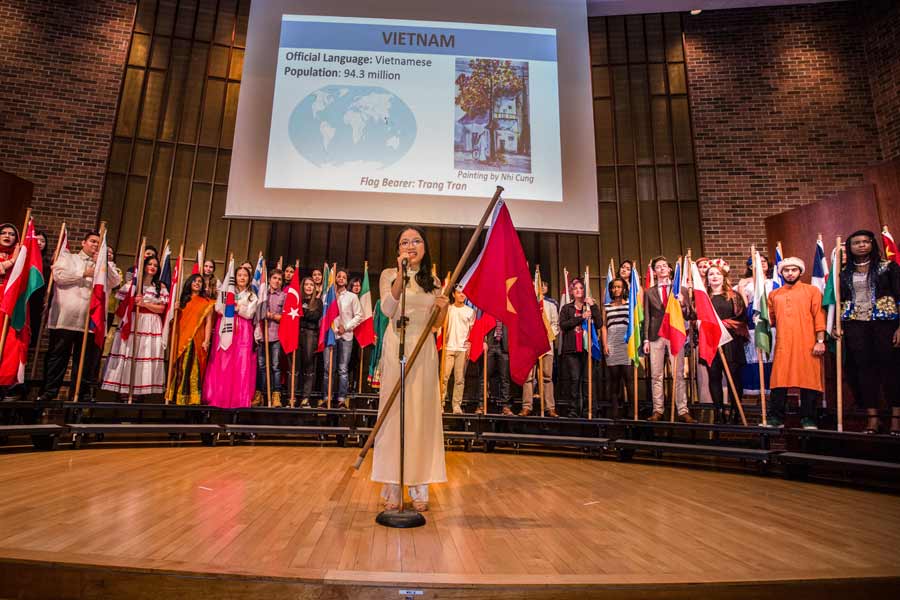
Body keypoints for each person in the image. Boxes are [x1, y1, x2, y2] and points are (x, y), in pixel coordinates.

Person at [372, 226, 448, 513]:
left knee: (420, 414)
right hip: (397, 347)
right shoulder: (389, 275)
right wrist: (401, 275)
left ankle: (419, 484)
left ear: (425, 247)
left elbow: (437, 324)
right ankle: (392, 482)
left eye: (416, 240)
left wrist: (442, 307)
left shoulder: (434, 280)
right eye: (405, 242)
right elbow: (389, 310)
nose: (411, 245)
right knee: (394, 414)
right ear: (398, 250)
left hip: (424, 350)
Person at [38, 230, 121, 401]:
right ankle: (49, 392)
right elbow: (59, 276)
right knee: (58, 357)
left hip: (90, 321)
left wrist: (101, 263)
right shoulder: (69, 258)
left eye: (99, 243)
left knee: (84, 361)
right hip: (65, 318)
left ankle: (79, 395)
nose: (95, 245)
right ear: (83, 243)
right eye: (92, 241)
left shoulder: (106, 264)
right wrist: (84, 273)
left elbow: (115, 282)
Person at [836, 230, 900, 434]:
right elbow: (838, 301)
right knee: (864, 371)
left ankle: (895, 420)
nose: (862, 245)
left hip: (885, 324)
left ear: (872, 244)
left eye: (866, 241)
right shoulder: (843, 272)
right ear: (850, 246)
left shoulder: (888, 267)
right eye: (857, 242)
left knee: (890, 370)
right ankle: (872, 419)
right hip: (856, 325)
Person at [767, 257, 825, 429]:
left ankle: (808, 418)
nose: (790, 273)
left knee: (808, 380)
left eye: (794, 270)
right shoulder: (774, 294)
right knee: (779, 381)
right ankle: (776, 417)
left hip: (807, 344)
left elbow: (819, 317)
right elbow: (769, 319)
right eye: (786, 270)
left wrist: (820, 341)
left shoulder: (812, 291)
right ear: (781, 272)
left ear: (800, 271)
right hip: (783, 344)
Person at [101, 256, 169, 399]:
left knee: (145, 354)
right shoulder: (132, 285)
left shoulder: (160, 287)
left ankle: (140, 392)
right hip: (133, 321)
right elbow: (122, 305)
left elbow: (162, 309)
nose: (152, 267)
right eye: (149, 264)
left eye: (155, 265)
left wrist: (145, 304)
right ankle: (125, 391)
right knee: (130, 352)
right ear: (143, 266)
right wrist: (133, 301)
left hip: (151, 324)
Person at [642, 256, 696, 422]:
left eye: (664, 266)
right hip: (655, 336)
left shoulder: (680, 289)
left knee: (678, 373)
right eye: (658, 267)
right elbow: (647, 316)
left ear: (670, 269)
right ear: (654, 271)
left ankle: (682, 409)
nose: (662, 268)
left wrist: (683, 304)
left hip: (674, 333)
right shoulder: (649, 292)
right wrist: (645, 340)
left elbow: (691, 315)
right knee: (656, 374)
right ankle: (658, 410)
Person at [203, 265, 258, 408]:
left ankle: (238, 399)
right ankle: (220, 396)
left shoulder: (252, 295)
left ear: (249, 278)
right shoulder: (226, 291)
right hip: (226, 327)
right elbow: (218, 308)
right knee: (224, 361)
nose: (242, 278)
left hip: (243, 331)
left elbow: (249, 313)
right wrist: (234, 306)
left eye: (245, 275)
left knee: (240, 363)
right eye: (239, 275)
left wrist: (236, 307)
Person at [703, 263, 748, 424]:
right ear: (707, 279)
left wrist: (723, 325)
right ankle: (719, 411)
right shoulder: (703, 298)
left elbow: (742, 318)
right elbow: (695, 317)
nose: (714, 276)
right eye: (711, 274)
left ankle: (736, 410)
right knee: (714, 376)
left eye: (717, 274)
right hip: (710, 342)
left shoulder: (733, 296)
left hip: (731, 343)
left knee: (734, 378)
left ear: (723, 277)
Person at [559, 278, 602, 418]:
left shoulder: (590, 306)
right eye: (575, 288)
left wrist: (593, 307)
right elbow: (563, 325)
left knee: (587, 380)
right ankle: (573, 409)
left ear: (585, 291)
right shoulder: (567, 308)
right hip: (572, 349)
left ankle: (589, 409)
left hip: (587, 348)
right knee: (575, 379)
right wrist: (581, 318)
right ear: (572, 292)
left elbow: (600, 324)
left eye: (581, 288)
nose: (578, 290)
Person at [167, 274, 213, 405]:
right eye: (195, 281)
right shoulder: (182, 300)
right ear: (189, 283)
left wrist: (207, 340)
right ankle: (176, 396)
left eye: (200, 282)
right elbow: (175, 321)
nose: (197, 283)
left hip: (197, 340)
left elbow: (208, 322)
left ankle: (193, 399)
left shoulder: (207, 302)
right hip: (181, 339)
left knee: (194, 369)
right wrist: (175, 309)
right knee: (180, 367)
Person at [737, 254, 775, 398]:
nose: (762, 264)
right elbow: (742, 306)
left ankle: (771, 392)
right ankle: (755, 393)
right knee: (754, 357)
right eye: (757, 262)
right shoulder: (745, 284)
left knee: (769, 355)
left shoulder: (774, 281)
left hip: (770, 322)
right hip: (752, 322)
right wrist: (741, 286)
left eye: (764, 261)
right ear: (750, 266)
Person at [521, 280, 559, 417]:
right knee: (528, 377)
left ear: (546, 288)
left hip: (546, 345)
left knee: (547, 377)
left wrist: (547, 337)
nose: (539, 287)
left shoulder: (551, 305)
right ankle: (527, 406)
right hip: (530, 346)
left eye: (542, 285)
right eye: (535, 284)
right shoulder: (525, 304)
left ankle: (550, 408)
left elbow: (555, 325)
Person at [327, 269, 363, 408]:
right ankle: (327, 397)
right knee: (329, 368)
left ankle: (342, 399)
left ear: (347, 281)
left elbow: (359, 315)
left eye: (343, 277)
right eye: (339, 276)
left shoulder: (352, 297)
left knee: (343, 369)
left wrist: (346, 327)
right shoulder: (329, 295)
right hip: (331, 335)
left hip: (346, 336)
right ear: (335, 278)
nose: (341, 278)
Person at [441, 286, 475, 414]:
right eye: (459, 292)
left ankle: (456, 405)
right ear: (454, 294)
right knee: (444, 377)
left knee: (459, 379)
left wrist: (469, 344)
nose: (462, 295)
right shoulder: (449, 309)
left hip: (461, 349)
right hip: (448, 347)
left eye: (464, 292)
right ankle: (441, 403)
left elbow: (472, 331)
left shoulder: (470, 312)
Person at [255, 268, 285, 407]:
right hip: (262, 334)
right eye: (274, 278)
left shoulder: (283, 296)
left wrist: (271, 315)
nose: (277, 281)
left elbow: (285, 318)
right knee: (261, 366)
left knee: (275, 366)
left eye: (279, 279)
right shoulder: (262, 294)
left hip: (276, 336)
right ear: (270, 279)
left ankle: (276, 396)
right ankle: (259, 394)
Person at [602, 277, 631, 419]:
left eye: (619, 287)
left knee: (628, 378)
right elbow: (604, 326)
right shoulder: (606, 307)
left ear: (624, 289)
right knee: (614, 379)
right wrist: (605, 344)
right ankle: (615, 411)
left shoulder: (630, 305)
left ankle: (632, 410)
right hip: (612, 344)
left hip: (627, 344)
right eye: (614, 287)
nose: (616, 289)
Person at [297, 277, 322, 407]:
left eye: (311, 285)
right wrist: (304, 312)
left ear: (314, 287)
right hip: (297, 333)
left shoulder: (318, 302)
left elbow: (315, 316)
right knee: (296, 365)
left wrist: (301, 312)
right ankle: (293, 396)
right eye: (306, 284)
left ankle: (306, 397)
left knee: (308, 365)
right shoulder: (297, 300)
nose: (308, 287)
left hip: (311, 334)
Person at [693, 257, 714, 405]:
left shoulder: (717, 287)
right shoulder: (693, 289)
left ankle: (723, 404)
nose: (703, 269)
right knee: (703, 374)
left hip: (716, 333)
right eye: (700, 267)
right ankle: (706, 404)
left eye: (706, 266)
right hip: (699, 334)